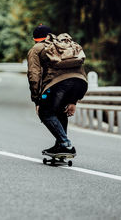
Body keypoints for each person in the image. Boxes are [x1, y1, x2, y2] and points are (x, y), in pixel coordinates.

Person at [27, 24, 88, 155]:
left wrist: (37, 100)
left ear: (35, 39)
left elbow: (34, 75)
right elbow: (77, 71)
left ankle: (65, 144)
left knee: (45, 112)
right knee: (60, 111)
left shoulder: (36, 49)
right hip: (80, 81)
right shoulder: (62, 45)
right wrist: (73, 100)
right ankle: (60, 144)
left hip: (58, 84)